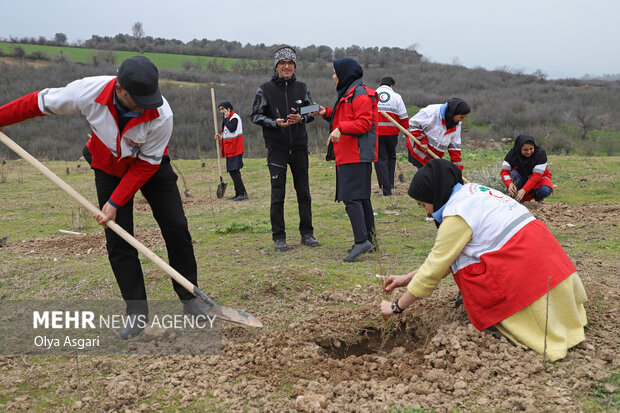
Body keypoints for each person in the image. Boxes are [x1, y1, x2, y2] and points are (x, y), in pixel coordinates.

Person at [0, 56, 211, 339]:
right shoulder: (88, 91)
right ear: (121, 89)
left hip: (151, 167)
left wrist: (114, 203)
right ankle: (136, 312)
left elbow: (147, 164)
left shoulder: (162, 115)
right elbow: (40, 102)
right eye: (140, 99)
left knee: (176, 226)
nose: (148, 105)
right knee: (118, 237)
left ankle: (189, 297)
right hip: (108, 166)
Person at [380, 159, 587, 361]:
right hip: (555, 273)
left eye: (423, 204)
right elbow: (445, 258)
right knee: (462, 259)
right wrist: (406, 279)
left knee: (467, 271)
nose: (426, 211)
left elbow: (435, 268)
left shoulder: (457, 215)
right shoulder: (474, 192)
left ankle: (504, 323)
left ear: (433, 194)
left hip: (531, 284)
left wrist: (396, 307)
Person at [250, 46, 319, 252]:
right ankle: (279, 237)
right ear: (276, 67)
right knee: (277, 194)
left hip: (299, 147)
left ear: (294, 66)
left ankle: (307, 233)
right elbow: (255, 115)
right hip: (276, 148)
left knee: (304, 193)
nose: (287, 66)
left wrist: (302, 117)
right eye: (283, 63)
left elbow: (312, 109)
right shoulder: (265, 89)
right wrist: (274, 122)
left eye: (290, 63)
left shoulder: (302, 87)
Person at [318, 57, 379, 262]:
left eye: (335, 72)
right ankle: (370, 240)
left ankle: (361, 241)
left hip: (355, 154)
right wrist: (325, 112)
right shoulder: (349, 93)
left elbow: (363, 124)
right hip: (352, 154)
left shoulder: (359, 95)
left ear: (344, 74)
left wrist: (341, 129)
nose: (333, 76)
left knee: (351, 198)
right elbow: (344, 117)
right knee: (361, 198)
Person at [405, 98, 470, 171]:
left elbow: (455, 147)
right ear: (453, 113)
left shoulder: (456, 124)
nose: (462, 120)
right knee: (426, 177)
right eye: (461, 117)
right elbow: (413, 124)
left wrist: (457, 170)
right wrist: (422, 140)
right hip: (418, 150)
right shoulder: (431, 112)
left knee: (432, 177)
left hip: (433, 156)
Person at [375, 77, 409, 196]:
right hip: (392, 133)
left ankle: (386, 190)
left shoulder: (373, 95)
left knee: (380, 160)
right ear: (391, 86)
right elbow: (403, 117)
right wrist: (407, 134)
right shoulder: (397, 97)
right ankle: (390, 183)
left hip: (377, 133)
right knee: (391, 157)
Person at [501, 134, 553, 202]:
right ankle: (519, 200)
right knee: (514, 174)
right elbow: (504, 172)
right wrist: (509, 183)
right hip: (521, 178)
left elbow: (536, 176)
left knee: (545, 190)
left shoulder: (540, 154)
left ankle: (538, 199)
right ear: (519, 148)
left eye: (531, 149)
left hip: (538, 180)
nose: (529, 152)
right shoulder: (512, 154)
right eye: (525, 150)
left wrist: (524, 190)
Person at [214, 101, 248, 201]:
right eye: (220, 109)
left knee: (234, 171)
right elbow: (228, 133)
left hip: (235, 148)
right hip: (230, 149)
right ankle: (239, 193)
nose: (221, 111)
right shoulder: (228, 119)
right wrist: (221, 137)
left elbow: (232, 129)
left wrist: (225, 119)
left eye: (222, 109)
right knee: (234, 171)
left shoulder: (234, 118)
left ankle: (242, 193)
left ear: (228, 109)